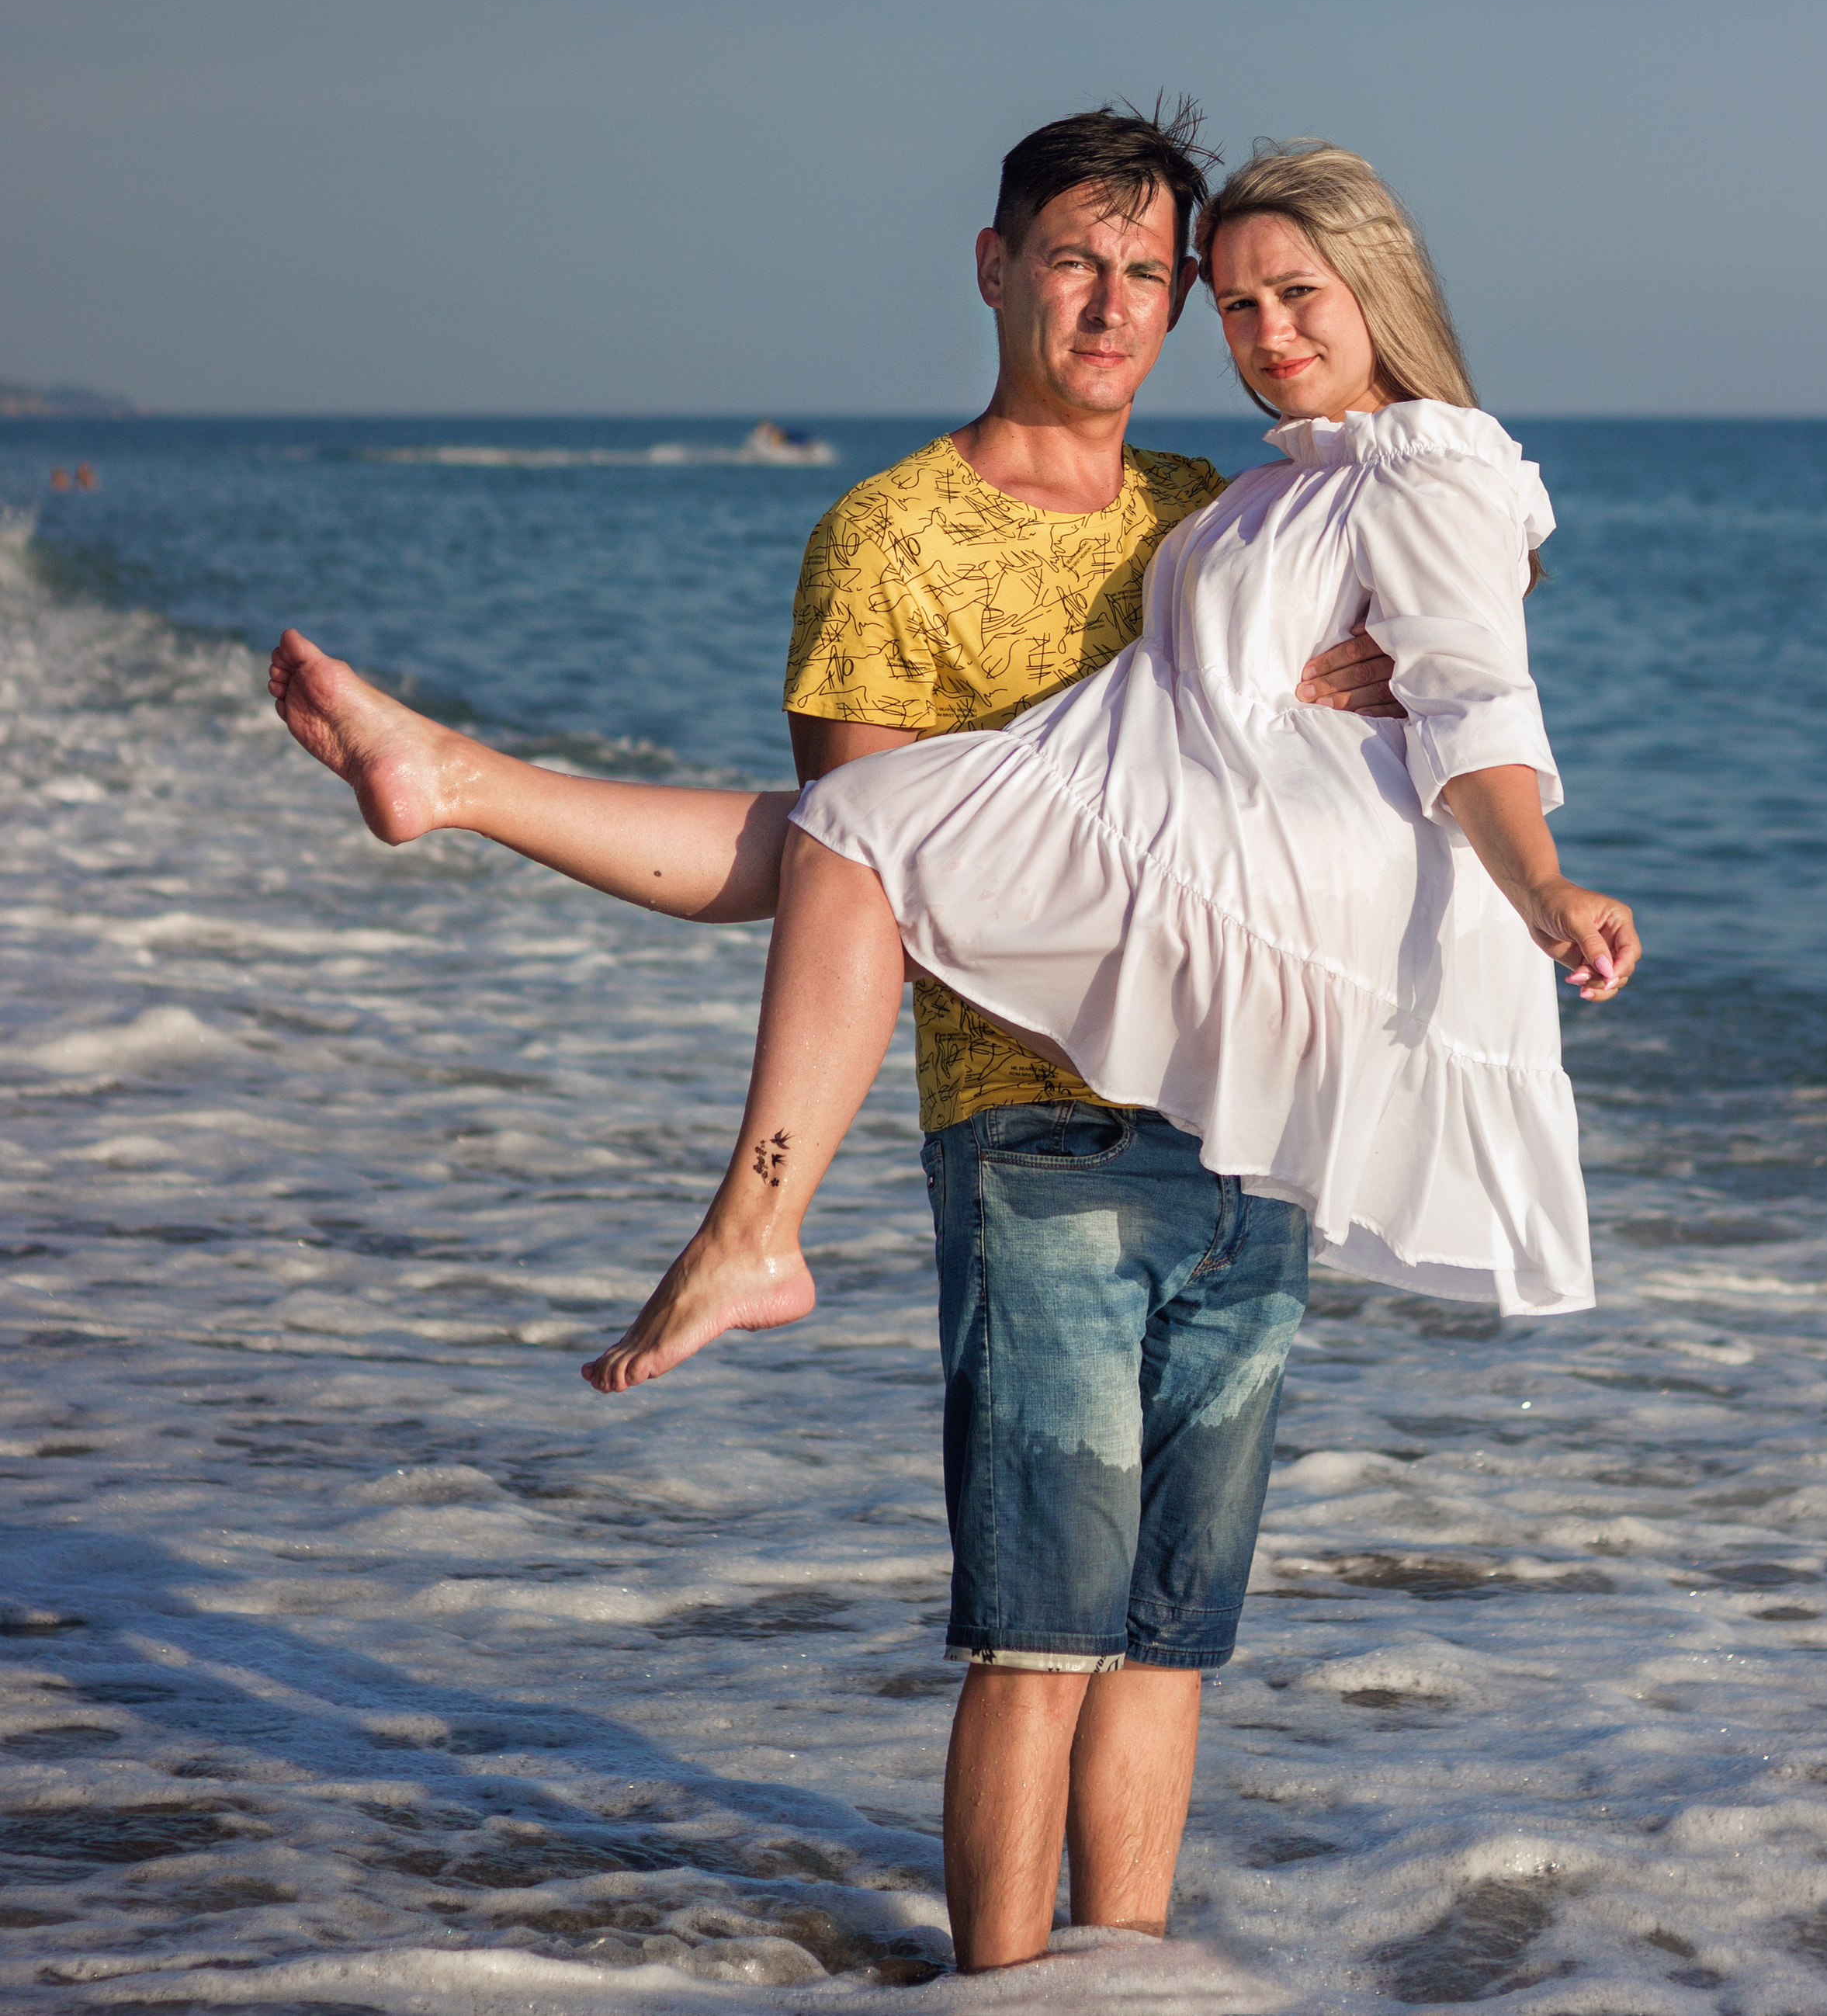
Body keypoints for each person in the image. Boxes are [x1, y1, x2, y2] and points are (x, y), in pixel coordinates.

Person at [268, 103, 1396, 1973]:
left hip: (1250, 1115)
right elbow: (852, 872)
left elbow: (1455, 556)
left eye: (1144, 278)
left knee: (1173, 1638)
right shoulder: (889, 535)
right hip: (1035, 1134)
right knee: (1038, 1638)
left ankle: (1122, 1996)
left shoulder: (1221, 509)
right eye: (1072, 264)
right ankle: (997, 1994)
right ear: (992, 267)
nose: (1109, 308)